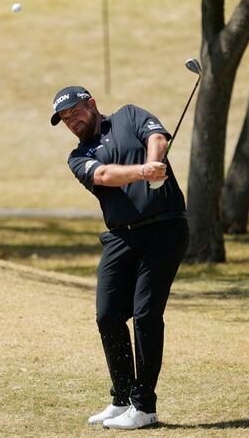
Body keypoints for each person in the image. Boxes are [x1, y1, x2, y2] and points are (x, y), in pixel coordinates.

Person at [49, 86, 189, 429]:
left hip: (165, 228)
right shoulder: (78, 156)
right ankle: (122, 398)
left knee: (145, 315)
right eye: (66, 120)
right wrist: (144, 172)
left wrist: (155, 160)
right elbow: (103, 176)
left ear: (91, 104)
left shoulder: (129, 115)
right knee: (107, 314)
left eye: (76, 112)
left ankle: (143, 407)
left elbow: (155, 134)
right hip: (121, 236)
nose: (72, 121)